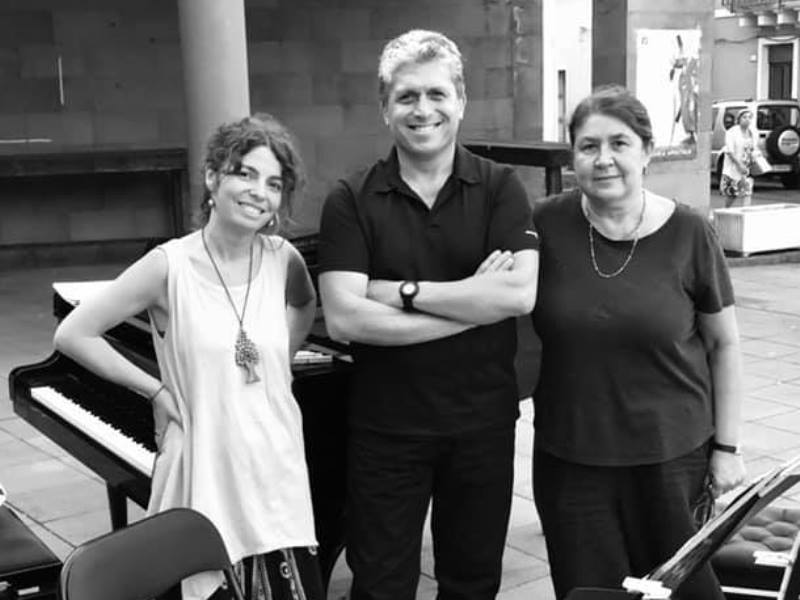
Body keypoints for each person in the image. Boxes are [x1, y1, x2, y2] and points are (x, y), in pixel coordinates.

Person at [53, 114, 324, 600]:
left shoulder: (283, 258)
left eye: (274, 183)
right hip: (208, 459)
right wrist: (156, 391)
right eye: (245, 173)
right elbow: (75, 333)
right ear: (212, 177)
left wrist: (279, 362)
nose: (259, 192)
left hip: (275, 462)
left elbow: (303, 304)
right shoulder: (169, 266)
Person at [317, 29, 539, 600]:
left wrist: (402, 292)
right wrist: (472, 303)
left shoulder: (501, 188)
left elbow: (518, 296)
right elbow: (345, 319)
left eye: (437, 94)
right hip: (386, 429)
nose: (423, 110)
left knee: (472, 584)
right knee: (381, 585)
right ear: (384, 108)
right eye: (407, 96)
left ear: (461, 101)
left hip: (482, 426)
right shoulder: (350, 199)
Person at [530, 85, 747, 600]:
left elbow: (724, 346)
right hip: (572, 459)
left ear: (647, 151)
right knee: (589, 592)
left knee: (684, 591)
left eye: (619, 143)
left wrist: (727, 449)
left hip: (673, 459)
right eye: (588, 146)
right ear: (573, 156)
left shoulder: (689, 232)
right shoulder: (543, 225)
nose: (603, 159)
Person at [720, 108, 756, 207]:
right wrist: (739, 165)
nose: (747, 119)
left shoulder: (752, 132)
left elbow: (753, 149)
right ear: (739, 119)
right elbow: (729, 151)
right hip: (733, 169)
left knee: (747, 193)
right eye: (744, 117)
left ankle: (746, 214)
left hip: (746, 170)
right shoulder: (732, 132)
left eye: (749, 117)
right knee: (731, 195)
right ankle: (725, 212)